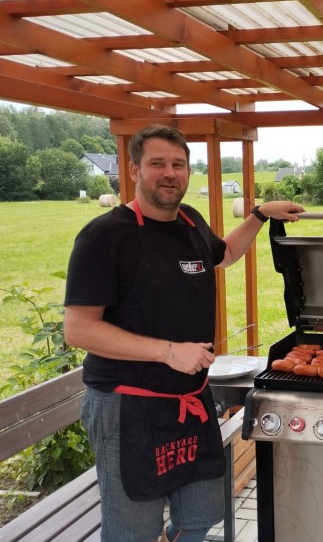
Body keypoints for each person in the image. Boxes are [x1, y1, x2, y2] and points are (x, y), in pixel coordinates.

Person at [64, 124, 304, 542]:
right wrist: (167, 351)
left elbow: (224, 254)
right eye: (157, 163)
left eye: (178, 164)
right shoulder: (105, 236)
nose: (169, 173)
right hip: (127, 408)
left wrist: (260, 214)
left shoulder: (190, 221)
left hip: (189, 401)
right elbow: (79, 328)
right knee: (132, 532)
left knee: (201, 513)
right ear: (134, 170)